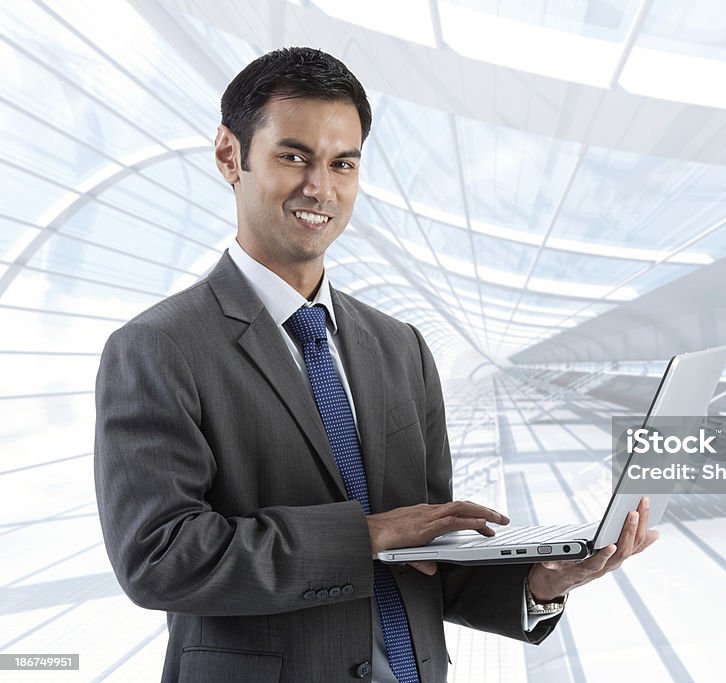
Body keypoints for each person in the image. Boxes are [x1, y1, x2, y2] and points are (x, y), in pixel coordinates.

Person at [94, 47, 657, 683]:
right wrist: (366, 535)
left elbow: (425, 559)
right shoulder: (159, 348)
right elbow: (159, 559)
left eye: (343, 163)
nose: (320, 187)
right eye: (293, 156)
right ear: (230, 155)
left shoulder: (401, 348)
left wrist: (542, 579)